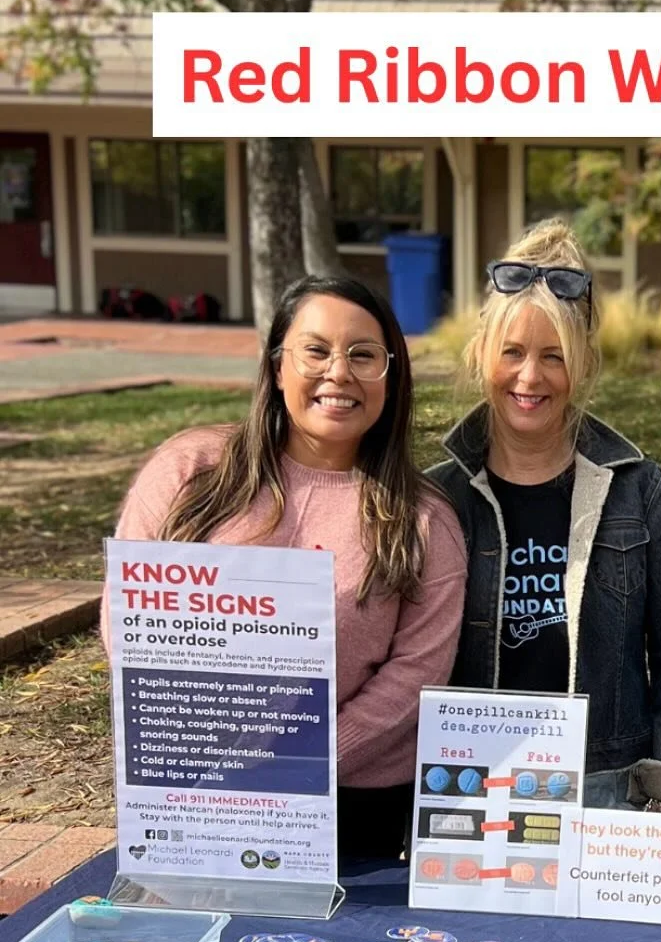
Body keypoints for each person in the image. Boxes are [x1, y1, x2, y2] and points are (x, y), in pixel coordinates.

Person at [106, 275, 467, 857]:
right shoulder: (190, 472)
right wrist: (211, 756)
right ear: (277, 368)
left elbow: (417, 672)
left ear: (390, 376)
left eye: (364, 355)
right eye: (316, 350)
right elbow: (128, 628)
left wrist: (302, 760)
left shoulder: (424, 519)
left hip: (352, 797)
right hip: (193, 788)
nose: (339, 373)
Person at [428, 219, 661, 810]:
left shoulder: (639, 491)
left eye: (553, 356)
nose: (530, 377)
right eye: (512, 353)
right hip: (469, 786)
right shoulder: (439, 498)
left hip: (604, 787)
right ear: (483, 354)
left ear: (581, 363)